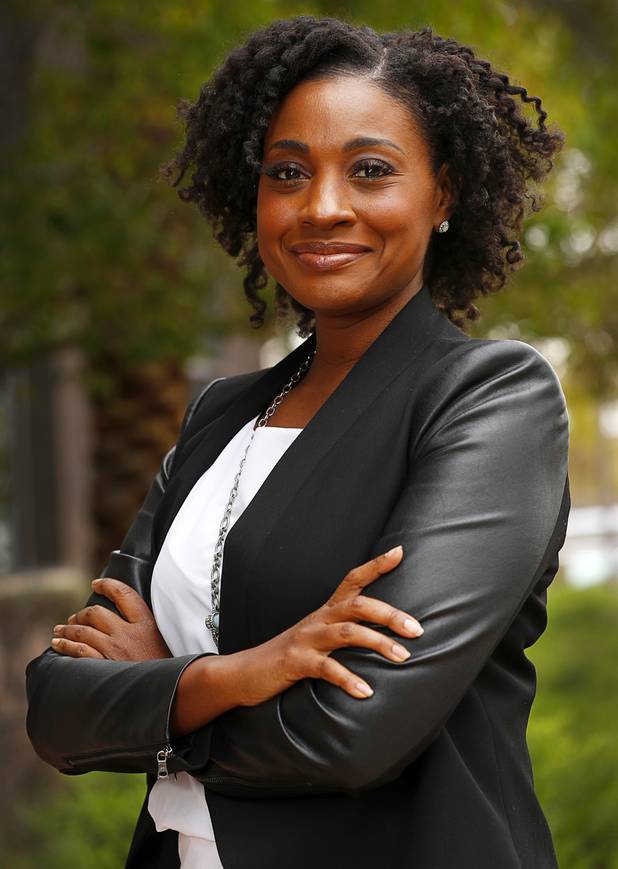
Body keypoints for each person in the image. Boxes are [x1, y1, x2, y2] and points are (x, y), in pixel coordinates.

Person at [25, 15, 570, 869]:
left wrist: (160, 697)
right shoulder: (221, 414)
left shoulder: (489, 399)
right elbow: (57, 708)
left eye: (370, 170)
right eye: (287, 172)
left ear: (444, 195)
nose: (321, 206)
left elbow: (354, 730)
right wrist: (240, 674)